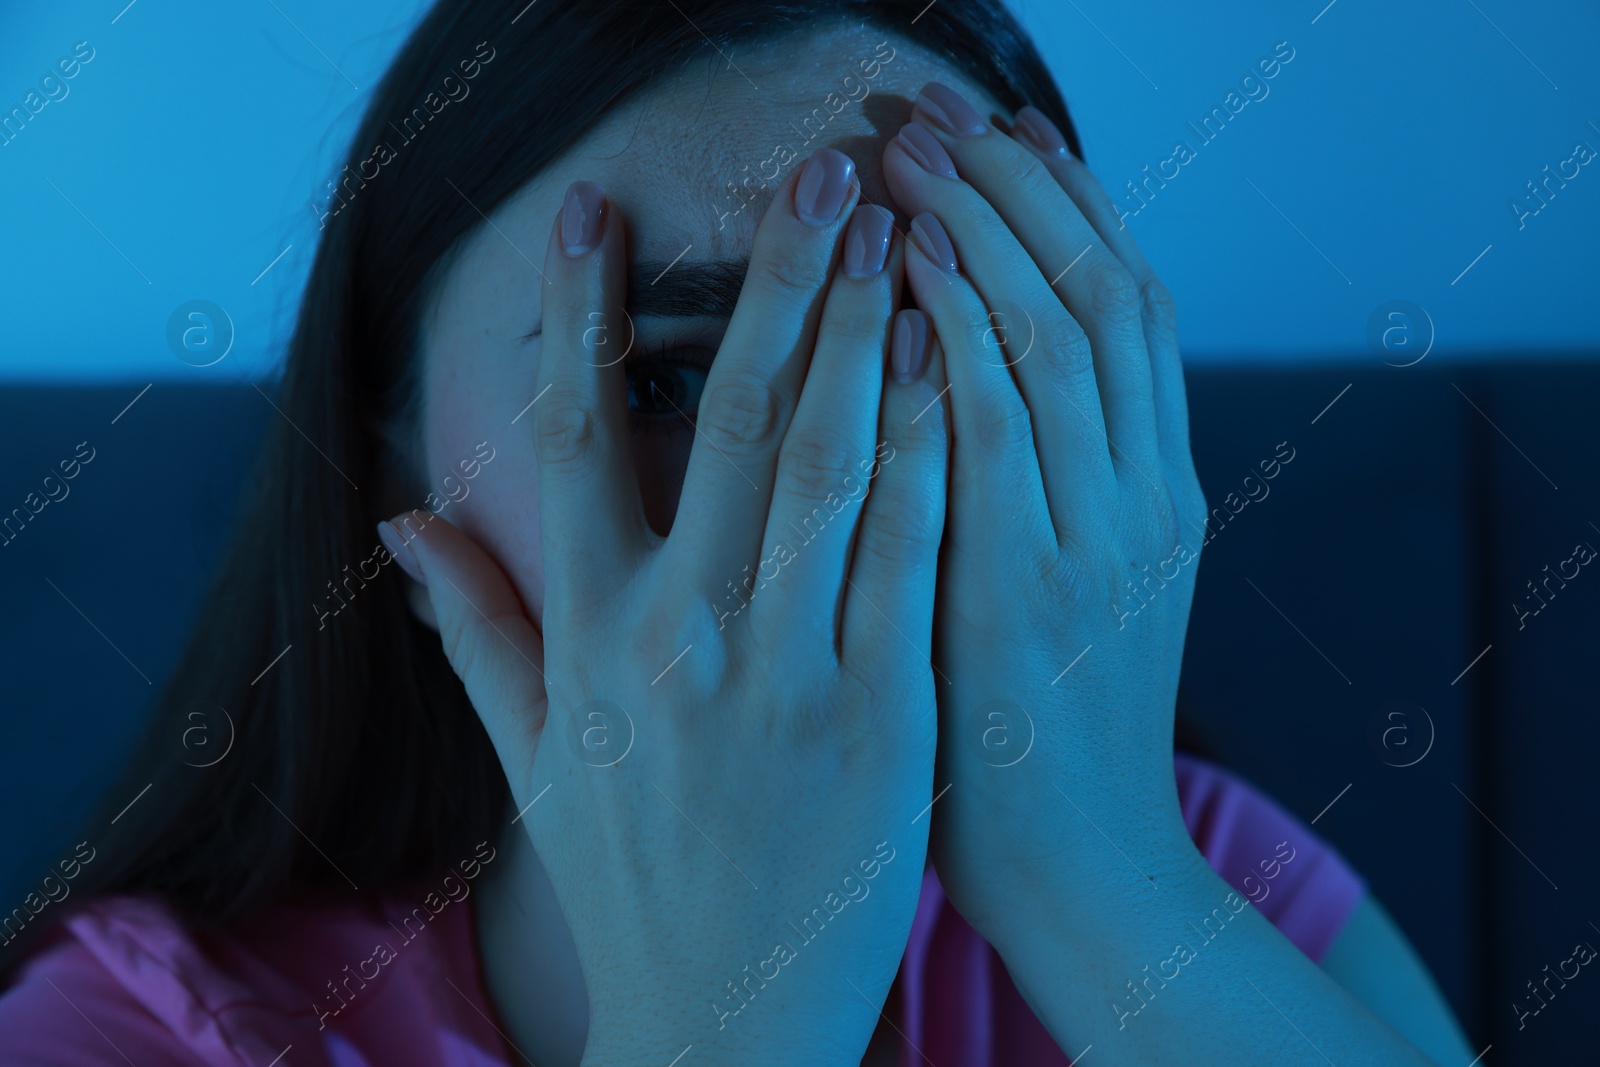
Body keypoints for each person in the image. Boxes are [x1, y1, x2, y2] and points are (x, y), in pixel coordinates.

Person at [0, 1, 1474, 1063]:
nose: (830, 493)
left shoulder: (1211, 883)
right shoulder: (137, 1032)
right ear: (394, 459)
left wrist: (1104, 882)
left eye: (951, 354)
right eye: (658, 376)